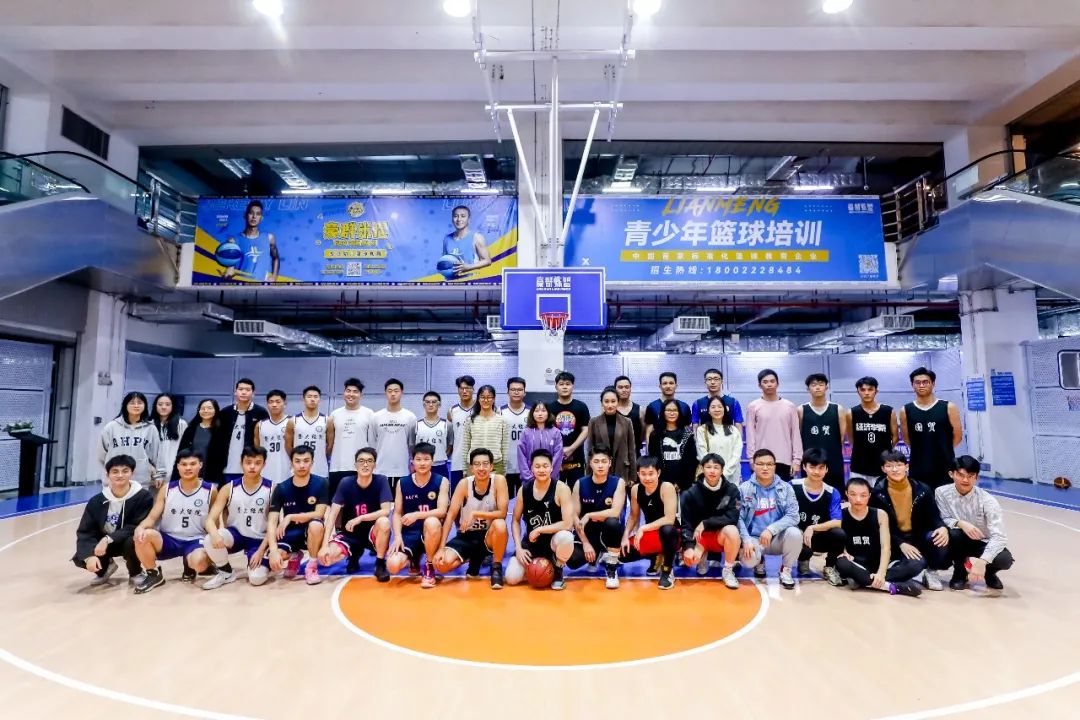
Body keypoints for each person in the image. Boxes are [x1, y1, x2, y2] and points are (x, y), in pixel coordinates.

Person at [132, 449, 218, 594]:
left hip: (195, 540)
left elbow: (214, 521)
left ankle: (192, 564)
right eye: (184, 464)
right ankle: (154, 574)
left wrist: (214, 546)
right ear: (178, 466)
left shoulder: (211, 490)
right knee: (142, 536)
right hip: (168, 539)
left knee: (199, 563)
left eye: (192, 464)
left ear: (200, 465)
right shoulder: (167, 489)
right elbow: (152, 517)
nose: (188, 468)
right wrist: (140, 527)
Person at [870, 450, 950, 591]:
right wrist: (900, 543)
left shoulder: (923, 489)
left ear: (906, 467)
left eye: (899, 465)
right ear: (883, 469)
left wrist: (942, 527)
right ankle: (873, 578)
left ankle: (931, 572)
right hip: (893, 540)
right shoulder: (878, 493)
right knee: (916, 564)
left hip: (918, 537)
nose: (895, 469)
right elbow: (877, 526)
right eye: (889, 466)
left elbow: (934, 516)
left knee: (941, 538)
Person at [433, 448, 510, 589]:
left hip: (488, 537)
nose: (481, 468)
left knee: (500, 524)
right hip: (467, 536)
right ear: (471, 467)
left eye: (485, 464)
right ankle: (473, 557)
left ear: (491, 466)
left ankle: (496, 568)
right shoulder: (464, 484)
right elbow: (450, 516)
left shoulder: (499, 481)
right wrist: (441, 548)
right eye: (477, 464)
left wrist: (476, 513)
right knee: (441, 565)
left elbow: (502, 513)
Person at [505, 449, 582, 590]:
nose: (541, 470)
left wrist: (540, 529)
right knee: (511, 578)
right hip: (532, 544)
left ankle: (558, 569)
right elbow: (515, 520)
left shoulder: (561, 489)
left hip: (554, 543)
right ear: (531, 468)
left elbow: (568, 523)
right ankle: (538, 570)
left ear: (552, 467)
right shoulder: (524, 490)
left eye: (545, 466)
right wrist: (518, 548)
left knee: (567, 537)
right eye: (537, 466)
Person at [72, 455, 154, 586]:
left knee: (135, 540)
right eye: (115, 471)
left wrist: (107, 539)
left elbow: (135, 526)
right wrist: (89, 556)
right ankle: (105, 568)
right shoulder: (97, 501)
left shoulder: (143, 497)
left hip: (126, 540)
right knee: (81, 555)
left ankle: (136, 572)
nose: (120, 475)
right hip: (105, 543)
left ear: (132, 473)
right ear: (108, 474)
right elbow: (85, 531)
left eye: (125, 471)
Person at [936, 455, 1014, 591]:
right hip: (958, 539)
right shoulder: (941, 492)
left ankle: (989, 572)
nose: (965, 480)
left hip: (983, 541)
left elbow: (999, 536)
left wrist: (982, 561)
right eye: (961, 475)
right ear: (951, 474)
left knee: (1005, 559)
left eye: (971, 476)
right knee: (953, 534)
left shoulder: (988, 501)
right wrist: (961, 523)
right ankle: (960, 572)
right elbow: (944, 518)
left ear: (977, 477)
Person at [836, 476, 924, 597]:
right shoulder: (840, 514)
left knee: (917, 563)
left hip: (882, 564)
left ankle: (862, 581)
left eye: (863, 495)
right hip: (857, 563)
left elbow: (885, 547)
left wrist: (881, 574)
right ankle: (892, 586)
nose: (858, 499)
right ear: (846, 494)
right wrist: (844, 551)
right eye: (853, 494)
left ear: (869, 495)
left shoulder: (880, 514)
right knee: (842, 564)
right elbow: (839, 539)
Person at [201, 446, 274, 589]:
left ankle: (263, 561)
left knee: (256, 579)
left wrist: (261, 551)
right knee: (209, 539)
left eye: (257, 463)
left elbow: (274, 525)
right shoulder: (228, 488)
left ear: (264, 464)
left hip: (260, 539)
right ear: (241, 463)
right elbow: (209, 520)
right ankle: (226, 572)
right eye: (248, 462)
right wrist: (215, 535)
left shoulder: (272, 488)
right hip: (236, 535)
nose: (252, 466)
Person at [318, 447, 392, 581]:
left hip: (372, 532)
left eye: (369, 461)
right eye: (361, 461)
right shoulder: (345, 483)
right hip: (350, 533)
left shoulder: (381, 480)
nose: (365, 464)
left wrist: (360, 518)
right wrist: (324, 545)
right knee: (327, 558)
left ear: (374, 465)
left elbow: (386, 510)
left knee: (384, 522)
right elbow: (332, 515)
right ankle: (354, 554)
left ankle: (380, 563)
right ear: (355, 465)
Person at [385, 443, 450, 589]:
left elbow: (442, 511)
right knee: (393, 565)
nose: (422, 463)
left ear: (432, 461)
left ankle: (429, 566)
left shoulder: (442, 481)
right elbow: (397, 513)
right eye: (418, 459)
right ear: (412, 461)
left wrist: (417, 515)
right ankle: (413, 558)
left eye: (426, 459)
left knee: (432, 521)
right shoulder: (403, 482)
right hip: (410, 532)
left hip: (432, 532)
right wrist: (397, 537)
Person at [737, 449, 801, 589]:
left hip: (778, 538)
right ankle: (759, 560)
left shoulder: (786, 488)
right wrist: (746, 540)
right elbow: (738, 518)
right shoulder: (744, 489)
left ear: (775, 466)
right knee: (748, 561)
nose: (765, 468)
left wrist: (771, 530)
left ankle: (786, 570)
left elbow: (793, 515)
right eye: (760, 464)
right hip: (755, 539)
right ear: (753, 465)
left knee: (795, 534)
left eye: (769, 464)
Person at [266, 445, 329, 585]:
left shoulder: (321, 483)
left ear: (312, 463)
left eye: (306, 461)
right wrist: (274, 550)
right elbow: (272, 521)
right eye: (297, 461)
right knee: (274, 558)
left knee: (316, 525)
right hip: (291, 532)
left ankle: (312, 567)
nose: (302, 465)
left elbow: (319, 513)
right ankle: (295, 555)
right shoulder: (281, 488)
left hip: (311, 532)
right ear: (291, 463)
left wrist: (290, 517)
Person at [678, 453, 741, 589]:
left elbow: (733, 517)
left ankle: (728, 571)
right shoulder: (690, 493)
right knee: (691, 561)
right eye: (708, 467)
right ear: (702, 469)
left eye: (716, 467)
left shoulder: (732, 490)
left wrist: (706, 523)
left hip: (720, 536)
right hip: (699, 537)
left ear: (722, 470)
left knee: (733, 531)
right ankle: (702, 555)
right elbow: (686, 524)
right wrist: (688, 547)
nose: (712, 471)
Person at [619, 456, 680, 590]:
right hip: (651, 533)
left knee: (667, 530)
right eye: (643, 474)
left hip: (672, 534)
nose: (647, 478)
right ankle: (656, 555)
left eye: (651, 473)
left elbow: (669, 519)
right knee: (623, 555)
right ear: (638, 474)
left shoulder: (666, 487)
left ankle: (667, 571)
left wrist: (643, 528)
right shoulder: (635, 489)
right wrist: (625, 536)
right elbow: (633, 516)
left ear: (658, 473)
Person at [899, 367, 963, 489]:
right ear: (912, 385)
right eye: (917, 382)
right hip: (918, 467)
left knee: (944, 500)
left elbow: (958, 436)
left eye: (925, 382)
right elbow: (907, 439)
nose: (921, 385)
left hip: (945, 466)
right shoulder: (906, 410)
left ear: (933, 384)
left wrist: (943, 448)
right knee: (920, 500)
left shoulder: (948, 407)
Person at [572, 449, 627, 589]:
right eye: (596, 461)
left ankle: (612, 569)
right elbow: (574, 516)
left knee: (612, 522)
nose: (600, 465)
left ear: (610, 463)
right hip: (588, 533)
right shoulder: (580, 483)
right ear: (590, 463)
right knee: (572, 561)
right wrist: (585, 543)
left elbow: (615, 512)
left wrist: (589, 515)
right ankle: (595, 554)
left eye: (604, 461)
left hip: (608, 533)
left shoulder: (618, 482)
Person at [792, 448, 845, 586]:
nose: (816, 471)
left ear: (826, 469)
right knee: (794, 536)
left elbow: (837, 522)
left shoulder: (832, 492)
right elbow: (783, 514)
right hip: (796, 535)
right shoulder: (792, 487)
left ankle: (830, 566)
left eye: (821, 467)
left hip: (818, 536)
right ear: (804, 467)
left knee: (839, 534)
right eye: (812, 467)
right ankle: (801, 559)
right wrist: (798, 530)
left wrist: (812, 528)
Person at [746, 369, 802, 481]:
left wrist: (797, 460)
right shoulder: (753, 406)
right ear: (759, 385)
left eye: (772, 381)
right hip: (761, 461)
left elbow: (795, 434)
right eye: (765, 382)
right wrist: (752, 459)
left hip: (784, 460)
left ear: (778, 383)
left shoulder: (790, 406)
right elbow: (750, 435)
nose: (769, 384)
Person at [212, 378, 269, 486]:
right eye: (241, 389)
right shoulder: (225, 412)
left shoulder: (260, 412)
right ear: (235, 392)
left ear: (253, 393)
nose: (243, 392)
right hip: (228, 467)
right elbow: (218, 439)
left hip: (251, 466)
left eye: (247, 390)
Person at [326, 378, 375, 498]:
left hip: (361, 467)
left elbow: (372, 443)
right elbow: (330, 443)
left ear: (361, 395)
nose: (351, 394)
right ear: (344, 393)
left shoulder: (369, 414)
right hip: (337, 467)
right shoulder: (334, 415)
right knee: (337, 503)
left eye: (355, 391)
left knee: (360, 503)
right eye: (348, 391)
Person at [99, 391, 159, 489]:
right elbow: (101, 454)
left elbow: (155, 455)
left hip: (141, 481)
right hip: (114, 481)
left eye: (139, 403)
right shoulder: (111, 427)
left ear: (145, 406)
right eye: (132, 403)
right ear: (125, 405)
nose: (136, 405)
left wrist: (155, 473)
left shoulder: (151, 429)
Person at [798, 373, 847, 487]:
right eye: (814, 385)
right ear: (808, 389)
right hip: (810, 462)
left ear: (826, 387)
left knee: (835, 493)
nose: (817, 387)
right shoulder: (801, 410)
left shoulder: (837, 409)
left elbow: (841, 437)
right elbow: (799, 436)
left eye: (821, 384)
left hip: (833, 461)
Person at [847, 376, 897, 481]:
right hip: (859, 465)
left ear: (876, 391)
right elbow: (851, 439)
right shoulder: (852, 413)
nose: (866, 393)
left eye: (870, 389)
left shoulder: (888, 411)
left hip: (883, 465)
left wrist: (884, 450)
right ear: (858, 392)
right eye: (863, 390)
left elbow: (895, 437)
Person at [372, 378, 417, 490]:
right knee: (382, 500)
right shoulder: (376, 417)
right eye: (390, 391)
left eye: (396, 391)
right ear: (385, 393)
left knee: (401, 500)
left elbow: (412, 445)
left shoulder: (410, 417)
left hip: (403, 470)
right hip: (380, 470)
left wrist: (413, 464)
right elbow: (372, 444)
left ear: (402, 392)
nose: (393, 394)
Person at [586, 387, 637, 486]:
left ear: (618, 402)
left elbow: (631, 450)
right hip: (600, 470)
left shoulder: (627, 422)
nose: (610, 405)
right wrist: (588, 474)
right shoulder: (594, 422)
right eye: (606, 401)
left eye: (613, 401)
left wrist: (633, 476)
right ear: (602, 403)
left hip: (622, 469)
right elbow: (590, 450)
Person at [550, 371, 591, 487]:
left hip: (577, 459)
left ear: (573, 386)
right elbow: (548, 433)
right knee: (556, 492)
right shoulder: (549, 408)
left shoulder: (581, 406)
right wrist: (559, 450)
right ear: (556, 386)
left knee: (577, 491)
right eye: (561, 384)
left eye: (568, 384)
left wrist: (571, 448)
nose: (564, 387)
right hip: (555, 459)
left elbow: (586, 430)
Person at [223, 199, 279, 282]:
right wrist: (229, 270)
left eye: (258, 214)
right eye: (251, 213)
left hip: (261, 286)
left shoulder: (269, 238)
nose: (254, 217)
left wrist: (274, 276)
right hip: (241, 285)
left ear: (261, 218)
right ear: (245, 215)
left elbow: (276, 258)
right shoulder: (234, 241)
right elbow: (230, 263)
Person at [648, 398, 698, 492]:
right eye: (668, 410)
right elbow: (653, 461)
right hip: (661, 483)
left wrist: (681, 483)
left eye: (675, 410)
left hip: (684, 485)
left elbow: (691, 462)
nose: (672, 413)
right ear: (663, 412)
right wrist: (663, 482)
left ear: (679, 413)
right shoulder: (655, 435)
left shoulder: (688, 435)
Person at [461, 384, 510, 476]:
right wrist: (464, 469)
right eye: (482, 397)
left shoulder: (502, 420)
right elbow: (465, 445)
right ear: (478, 399)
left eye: (489, 397)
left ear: (494, 399)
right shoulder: (470, 420)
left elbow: (505, 446)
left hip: (495, 465)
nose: (486, 400)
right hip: (474, 464)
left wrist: (504, 468)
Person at [694, 396, 743, 485]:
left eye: (720, 407)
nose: (717, 409)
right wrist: (714, 471)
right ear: (708, 411)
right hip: (710, 476)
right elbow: (702, 454)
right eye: (713, 407)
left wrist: (724, 473)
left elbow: (736, 455)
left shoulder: (734, 430)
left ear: (724, 409)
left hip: (731, 477)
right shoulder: (702, 430)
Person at [285, 385, 329, 479]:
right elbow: (288, 446)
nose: (312, 399)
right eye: (309, 396)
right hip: (298, 470)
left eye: (315, 397)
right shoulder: (293, 421)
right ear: (303, 399)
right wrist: (297, 459)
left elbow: (330, 445)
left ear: (320, 400)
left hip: (320, 469)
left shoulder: (327, 420)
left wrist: (321, 455)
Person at [518, 401, 564, 482]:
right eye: (536, 411)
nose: (540, 414)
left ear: (548, 413)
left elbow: (558, 456)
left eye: (543, 410)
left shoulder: (556, 432)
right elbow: (521, 456)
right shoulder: (526, 432)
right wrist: (529, 477)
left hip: (550, 479)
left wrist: (549, 476)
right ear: (532, 413)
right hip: (529, 479)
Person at [643, 372, 692, 448]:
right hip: (658, 449)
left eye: (671, 383)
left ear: (676, 386)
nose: (668, 386)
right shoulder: (652, 406)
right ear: (660, 386)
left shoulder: (684, 406)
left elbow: (687, 430)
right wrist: (649, 451)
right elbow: (649, 431)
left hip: (679, 448)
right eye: (665, 383)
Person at [175, 398, 219, 481]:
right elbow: (182, 451)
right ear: (198, 411)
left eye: (209, 408)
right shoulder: (191, 429)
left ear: (216, 410)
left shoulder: (221, 430)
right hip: (191, 470)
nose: (206, 411)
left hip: (213, 472)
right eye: (203, 408)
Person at [443, 205, 492, 277]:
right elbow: (445, 261)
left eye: (463, 216)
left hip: (471, 281)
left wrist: (468, 267)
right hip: (451, 281)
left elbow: (487, 261)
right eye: (455, 216)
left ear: (469, 219)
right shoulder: (447, 239)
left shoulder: (477, 237)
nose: (459, 219)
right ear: (452, 219)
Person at [254, 390, 290, 487]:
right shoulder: (260, 425)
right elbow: (257, 450)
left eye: (278, 402)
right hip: (266, 472)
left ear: (285, 403)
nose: (274, 405)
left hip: (288, 472)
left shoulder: (292, 422)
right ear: (267, 404)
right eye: (271, 402)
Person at [151, 393, 186, 487]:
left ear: (173, 406)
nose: (163, 407)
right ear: (155, 406)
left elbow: (185, 449)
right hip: (153, 474)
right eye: (160, 404)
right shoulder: (149, 425)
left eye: (167, 404)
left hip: (174, 472)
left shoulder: (181, 424)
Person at [415, 391, 453, 480]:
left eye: (434, 402)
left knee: (442, 488)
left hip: (440, 466)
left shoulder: (447, 424)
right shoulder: (417, 425)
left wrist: (439, 457)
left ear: (439, 404)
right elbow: (412, 446)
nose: (431, 405)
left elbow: (450, 446)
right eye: (428, 402)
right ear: (424, 405)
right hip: (421, 466)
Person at [501, 377, 529, 496]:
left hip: (525, 466)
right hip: (505, 466)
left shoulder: (531, 412)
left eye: (519, 389)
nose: (516, 392)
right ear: (507, 392)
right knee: (505, 501)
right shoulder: (499, 411)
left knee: (524, 500)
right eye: (513, 389)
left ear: (525, 392)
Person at [447, 375, 476, 486]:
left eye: (467, 388)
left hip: (477, 463)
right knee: (457, 495)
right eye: (461, 388)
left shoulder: (481, 408)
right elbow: (450, 437)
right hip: (457, 462)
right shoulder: (452, 411)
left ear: (473, 389)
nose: (464, 391)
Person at [613, 375, 645, 454]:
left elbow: (643, 433)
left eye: (627, 387)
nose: (624, 390)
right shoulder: (610, 410)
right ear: (615, 389)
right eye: (620, 387)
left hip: (635, 454)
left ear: (630, 389)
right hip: (614, 454)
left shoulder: (640, 410)